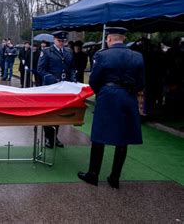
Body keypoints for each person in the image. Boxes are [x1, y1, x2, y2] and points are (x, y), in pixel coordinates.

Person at [78, 27, 145, 189]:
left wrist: (105, 90)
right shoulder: (137, 56)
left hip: (108, 96)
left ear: (109, 39)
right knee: (123, 138)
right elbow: (141, 83)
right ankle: (115, 177)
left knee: (99, 135)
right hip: (128, 97)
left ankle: (93, 174)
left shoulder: (102, 55)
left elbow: (94, 80)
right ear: (124, 38)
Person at [37, 30, 76, 148]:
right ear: (54, 40)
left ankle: (55, 137)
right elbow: (41, 69)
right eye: (59, 41)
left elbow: (72, 68)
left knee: (59, 113)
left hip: (64, 88)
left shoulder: (68, 52)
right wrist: (53, 79)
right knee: (49, 113)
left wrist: (73, 79)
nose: (61, 43)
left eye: (63, 41)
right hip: (51, 87)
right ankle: (48, 137)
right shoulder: (47, 52)